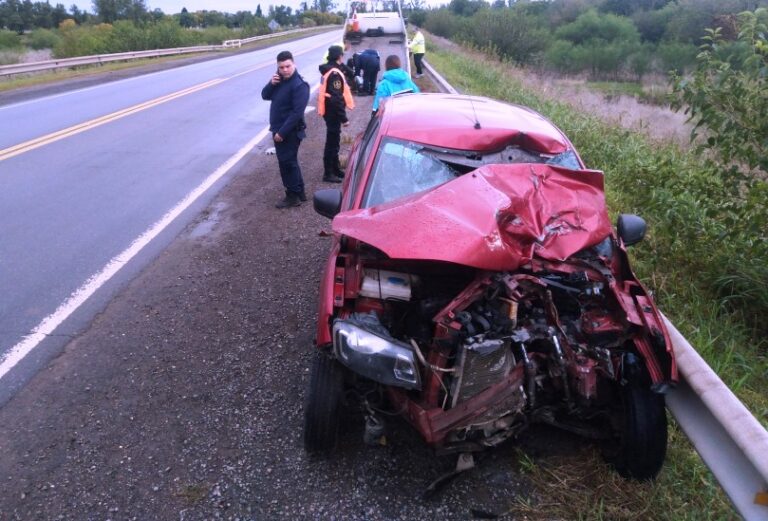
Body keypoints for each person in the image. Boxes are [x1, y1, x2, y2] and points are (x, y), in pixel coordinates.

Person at [261, 50, 310, 209]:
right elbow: (265, 95)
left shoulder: (299, 85)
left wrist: (281, 132)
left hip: (289, 131)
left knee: (286, 164)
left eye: (287, 66)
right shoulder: (280, 81)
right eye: (281, 67)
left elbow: (297, 113)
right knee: (291, 162)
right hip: (280, 129)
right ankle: (300, 192)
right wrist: (271, 83)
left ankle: (292, 196)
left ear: (293, 64)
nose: (285, 70)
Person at [318, 45, 355, 183]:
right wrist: (344, 118)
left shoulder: (330, 69)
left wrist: (342, 65)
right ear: (340, 56)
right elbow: (336, 98)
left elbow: (350, 73)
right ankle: (328, 173)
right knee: (332, 143)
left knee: (334, 141)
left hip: (329, 111)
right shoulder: (334, 74)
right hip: (333, 111)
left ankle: (335, 168)